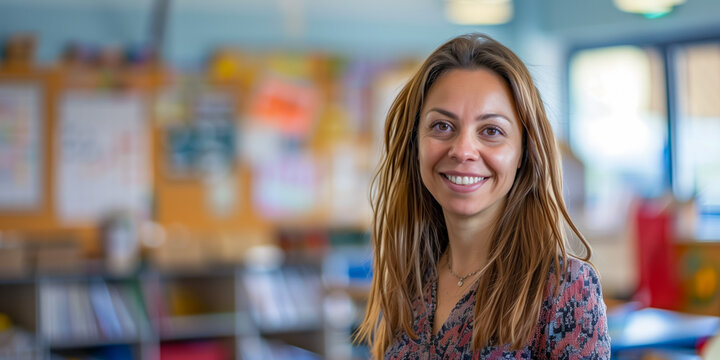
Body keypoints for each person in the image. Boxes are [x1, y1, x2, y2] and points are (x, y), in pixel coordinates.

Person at [356, 33, 610, 359]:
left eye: (491, 131)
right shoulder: (409, 283)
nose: (463, 150)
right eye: (442, 126)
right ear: (414, 145)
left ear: (524, 152)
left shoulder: (564, 290)